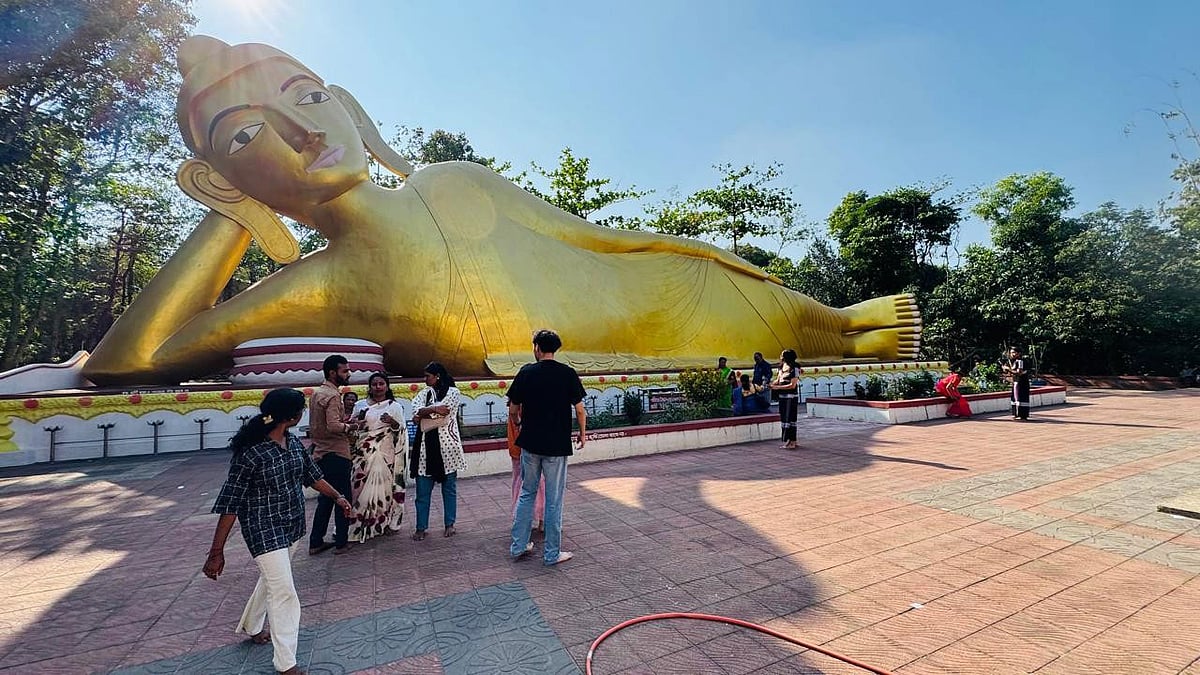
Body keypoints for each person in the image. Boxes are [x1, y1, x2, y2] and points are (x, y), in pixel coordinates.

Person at [83, 36, 924, 387]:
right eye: (250, 137)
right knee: (739, 337)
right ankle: (854, 331)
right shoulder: (324, 284)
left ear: (348, 105)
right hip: (601, 357)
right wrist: (231, 207)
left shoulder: (452, 182)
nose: (304, 133)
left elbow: (587, 234)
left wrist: (681, 243)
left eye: (307, 97)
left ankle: (846, 322)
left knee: (718, 285)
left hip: (657, 295)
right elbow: (127, 364)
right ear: (224, 178)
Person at [204, 388, 352, 675]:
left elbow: (312, 476)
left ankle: (253, 625)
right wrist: (216, 552)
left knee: (273, 581)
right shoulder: (251, 454)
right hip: (263, 529)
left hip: (292, 525)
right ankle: (286, 664)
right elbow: (231, 504)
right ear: (293, 416)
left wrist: (338, 497)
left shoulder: (293, 443)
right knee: (284, 592)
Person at [508, 329, 587, 567]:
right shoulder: (567, 374)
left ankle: (519, 545)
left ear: (537, 348)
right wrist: (583, 434)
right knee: (554, 499)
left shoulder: (526, 372)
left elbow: (513, 409)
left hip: (530, 443)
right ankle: (552, 553)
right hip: (556, 445)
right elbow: (580, 409)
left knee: (527, 493)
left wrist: (520, 424)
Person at [308, 355, 363, 555]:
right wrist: (351, 426)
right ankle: (341, 541)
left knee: (326, 498)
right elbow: (333, 426)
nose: (349, 374)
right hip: (336, 452)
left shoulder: (317, 393)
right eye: (345, 371)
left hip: (320, 452)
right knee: (342, 498)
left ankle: (316, 541)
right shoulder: (332, 396)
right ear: (333, 372)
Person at [347, 372, 408, 543]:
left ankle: (382, 524)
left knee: (384, 491)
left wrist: (392, 422)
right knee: (357, 491)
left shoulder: (394, 407)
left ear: (387, 386)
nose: (378, 387)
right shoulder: (360, 405)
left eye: (381, 384)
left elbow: (400, 431)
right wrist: (357, 423)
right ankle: (357, 526)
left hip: (385, 454)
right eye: (374, 384)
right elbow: (352, 428)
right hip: (363, 454)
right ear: (370, 386)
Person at [410, 362, 467, 540]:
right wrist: (433, 409)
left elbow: (442, 416)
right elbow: (416, 412)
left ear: (437, 376)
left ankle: (450, 524)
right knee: (422, 491)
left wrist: (425, 413)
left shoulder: (453, 392)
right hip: (424, 449)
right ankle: (421, 527)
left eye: (428, 376)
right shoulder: (423, 393)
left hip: (447, 447)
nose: (425, 379)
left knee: (449, 489)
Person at [507, 408, 545, 535]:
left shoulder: (514, 404)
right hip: (527, 449)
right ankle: (538, 520)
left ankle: (527, 522)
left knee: (520, 484)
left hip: (517, 449)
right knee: (536, 485)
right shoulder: (524, 404)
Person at [769, 349, 801, 449]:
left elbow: (793, 385)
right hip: (782, 397)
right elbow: (778, 380)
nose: (780, 356)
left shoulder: (795, 367)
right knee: (784, 418)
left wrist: (777, 387)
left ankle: (793, 441)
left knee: (791, 418)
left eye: (782, 355)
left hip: (790, 397)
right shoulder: (781, 367)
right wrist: (770, 385)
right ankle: (789, 440)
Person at [1002, 348, 1031, 420]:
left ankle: (1023, 415)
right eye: (1011, 353)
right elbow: (1010, 372)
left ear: (1019, 353)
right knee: (1015, 398)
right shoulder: (1013, 362)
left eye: (1014, 352)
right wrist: (1005, 369)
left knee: (1022, 398)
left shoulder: (1021, 361)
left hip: (1022, 383)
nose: (1012, 354)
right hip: (1015, 382)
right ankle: (1015, 413)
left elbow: (1019, 373)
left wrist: (1009, 369)